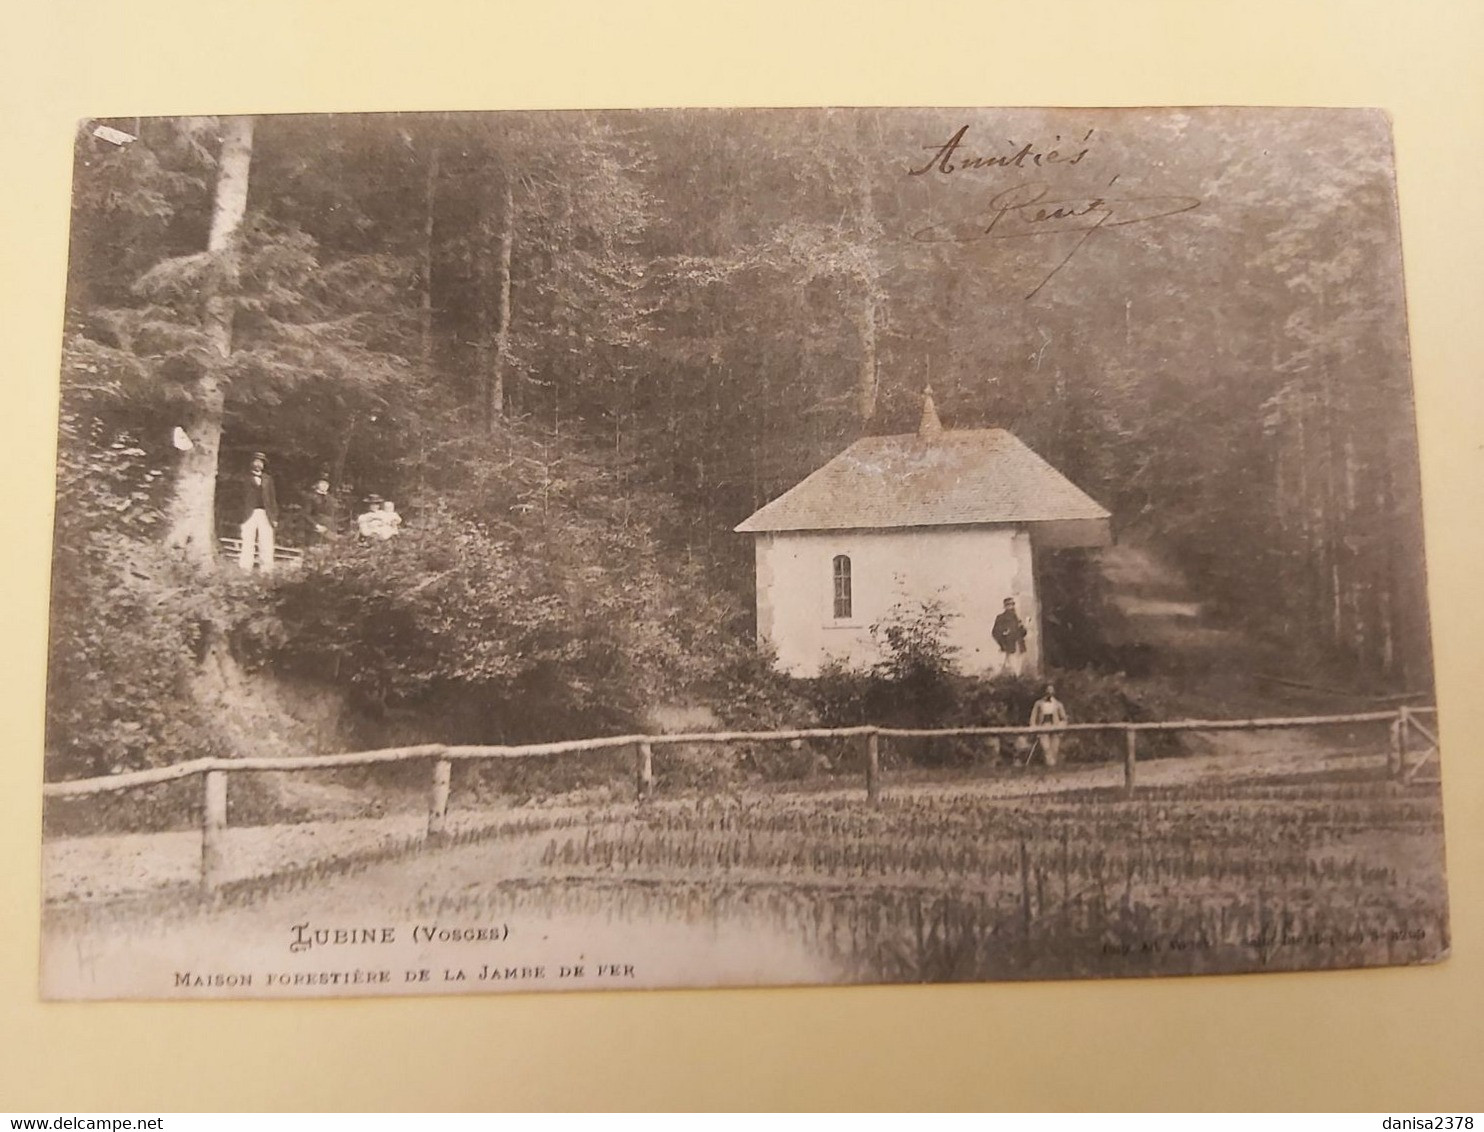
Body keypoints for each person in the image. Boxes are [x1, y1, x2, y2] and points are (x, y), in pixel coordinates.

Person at [237, 451, 278, 573]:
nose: (258, 464)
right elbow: (238, 498)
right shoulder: (244, 478)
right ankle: (245, 568)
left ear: (264, 465)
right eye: (256, 461)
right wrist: (240, 515)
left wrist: (274, 517)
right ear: (251, 463)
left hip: (265, 513)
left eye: (261, 462)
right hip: (249, 513)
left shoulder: (268, 479)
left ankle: (266, 569)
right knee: (247, 541)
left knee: (266, 541)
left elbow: (272, 499)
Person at [1029, 683, 1069, 767]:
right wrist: (1035, 728)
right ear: (1044, 691)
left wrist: (1061, 726)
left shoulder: (1058, 704)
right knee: (1046, 748)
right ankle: (1049, 766)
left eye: (1051, 690)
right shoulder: (1038, 703)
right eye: (1048, 690)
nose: (1049, 692)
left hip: (1055, 727)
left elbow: (1064, 718)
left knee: (1054, 749)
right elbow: (1033, 718)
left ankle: (1053, 768)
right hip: (1043, 727)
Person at [991, 596, 1028, 675]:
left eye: (1012, 604)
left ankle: (1017, 680)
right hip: (1010, 646)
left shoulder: (1016, 617)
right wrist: (1003, 643)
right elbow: (995, 633)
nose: (1011, 607)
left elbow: (1023, 633)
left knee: (1019, 668)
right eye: (1009, 605)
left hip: (1019, 646)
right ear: (1005, 606)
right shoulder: (1001, 618)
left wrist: (1023, 628)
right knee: (1012, 668)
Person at [305, 471, 335, 545]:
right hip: (314, 526)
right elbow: (306, 514)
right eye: (322, 483)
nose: (325, 486)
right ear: (317, 484)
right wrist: (317, 525)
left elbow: (332, 514)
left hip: (328, 527)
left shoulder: (331, 499)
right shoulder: (311, 497)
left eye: (326, 484)